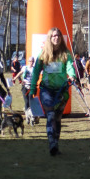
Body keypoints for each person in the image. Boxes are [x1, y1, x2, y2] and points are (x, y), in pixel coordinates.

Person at [31, 27, 76, 156]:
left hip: (61, 91)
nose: (56, 38)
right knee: (50, 116)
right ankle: (52, 143)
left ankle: (56, 142)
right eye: (53, 36)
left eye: (58, 36)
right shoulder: (43, 54)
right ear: (50, 38)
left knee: (57, 118)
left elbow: (69, 67)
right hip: (46, 90)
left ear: (61, 38)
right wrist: (33, 87)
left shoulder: (66, 54)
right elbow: (35, 72)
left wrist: (72, 76)